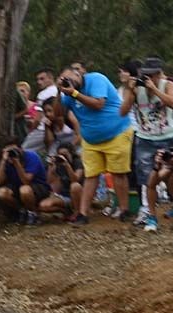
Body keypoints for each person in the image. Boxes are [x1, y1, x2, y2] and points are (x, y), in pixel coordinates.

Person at [58, 64, 135, 224]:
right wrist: (59, 92)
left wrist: (74, 93)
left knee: (118, 173)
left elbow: (98, 104)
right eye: (65, 80)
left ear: (78, 75)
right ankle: (83, 213)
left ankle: (124, 210)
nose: (69, 82)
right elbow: (58, 112)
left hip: (117, 132)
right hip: (91, 139)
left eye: (70, 78)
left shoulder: (96, 79)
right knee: (91, 175)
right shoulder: (68, 93)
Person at [121, 57, 173, 230]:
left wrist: (154, 89)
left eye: (152, 75)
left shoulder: (167, 84)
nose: (148, 78)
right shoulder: (136, 88)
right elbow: (123, 112)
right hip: (145, 138)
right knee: (146, 178)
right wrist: (130, 91)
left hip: (167, 135)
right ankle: (148, 212)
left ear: (159, 74)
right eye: (146, 75)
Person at [0, 143, 50, 224]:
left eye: (14, 150)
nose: (12, 153)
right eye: (9, 151)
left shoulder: (31, 157)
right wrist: (3, 161)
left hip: (38, 186)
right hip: (17, 186)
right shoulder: (6, 160)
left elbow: (26, 181)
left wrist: (16, 163)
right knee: (2, 192)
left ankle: (33, 212)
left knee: (24, 190)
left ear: (21, 149)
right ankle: (21, 210)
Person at [38, 144, 84, 218]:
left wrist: (67, 165)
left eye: (65, 154)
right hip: (65, 196)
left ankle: (77, 213)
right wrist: (51, 168)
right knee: (43, 206)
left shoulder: (77, 162)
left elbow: (75, 180)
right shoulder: (59, 165)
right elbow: (50, 182)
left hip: (79, 194)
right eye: (60, 154)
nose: (63, 157)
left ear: (71, 153)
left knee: (75, 186)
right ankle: (65, 211)